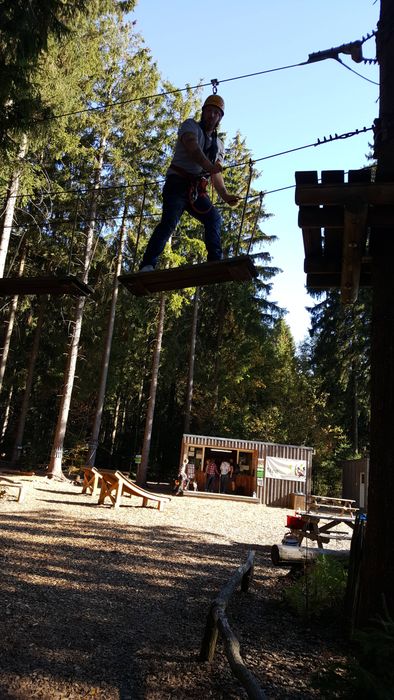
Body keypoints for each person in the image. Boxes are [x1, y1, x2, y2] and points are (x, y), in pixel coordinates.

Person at [139, 94, 239, 272]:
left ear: (220, 118)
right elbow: (193, 149)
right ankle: (148, 264)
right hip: (177, 183)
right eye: (210, 111)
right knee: (169, 222)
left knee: (214, 218)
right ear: (203, 112)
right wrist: (209, 167)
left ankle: (215, 260)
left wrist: (225, 195)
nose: (212, 116)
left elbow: (216, 174)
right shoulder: (190, 126)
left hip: (196, 190)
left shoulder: (219, 145)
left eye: (217, 113)